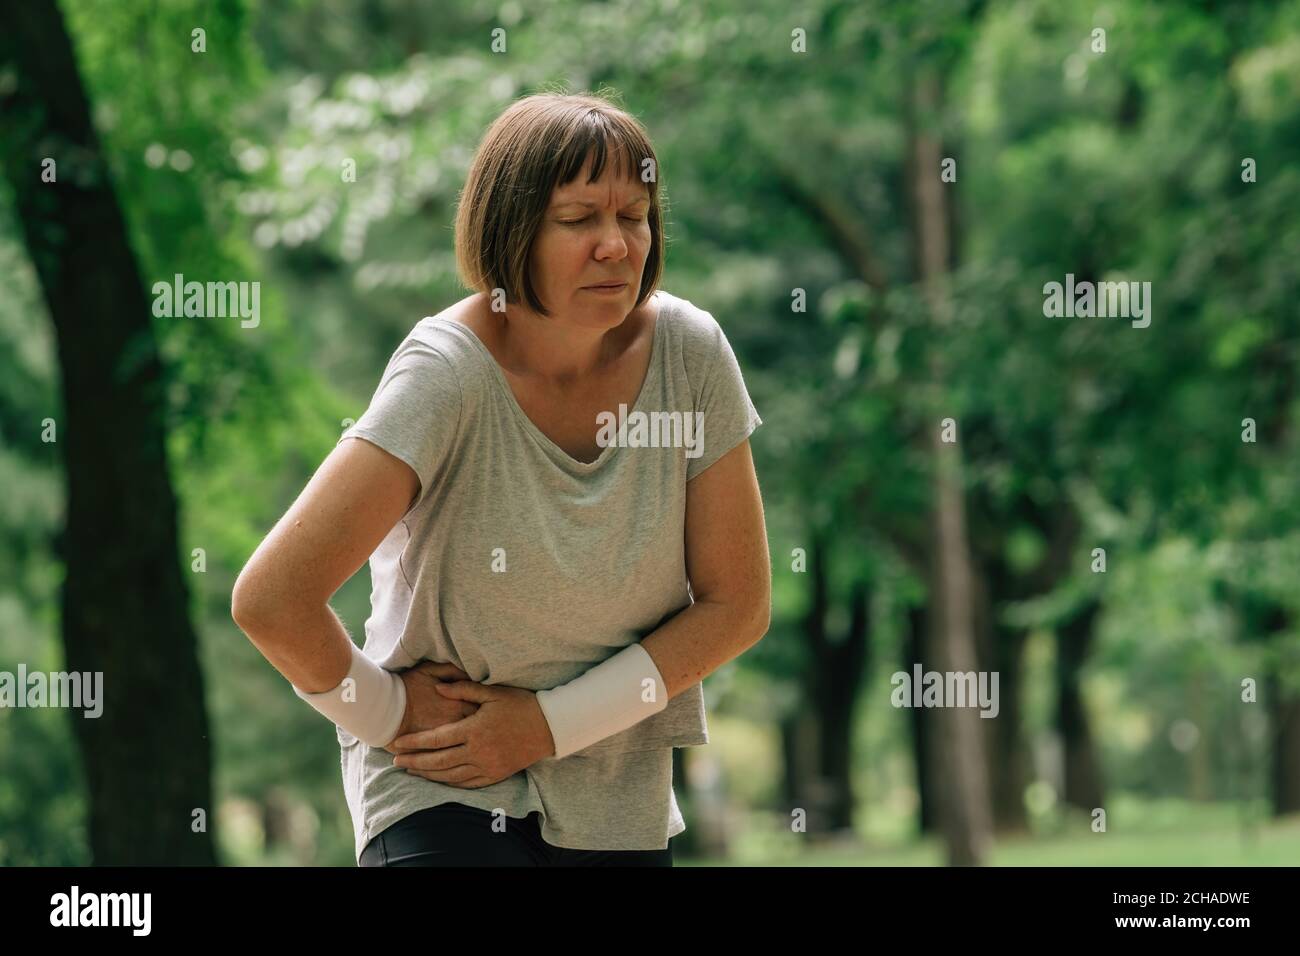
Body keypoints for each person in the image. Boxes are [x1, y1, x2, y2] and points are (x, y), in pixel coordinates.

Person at [231, 90, 770, 866]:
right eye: (579, 218)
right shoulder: (446, 375)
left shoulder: (691, 355)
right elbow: (272, 600)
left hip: (616, 790)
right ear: (512, 232)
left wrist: (546, 726)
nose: (616, 245)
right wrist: (387, 715)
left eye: (634, 215)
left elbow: (737, 605)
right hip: (440, 784)